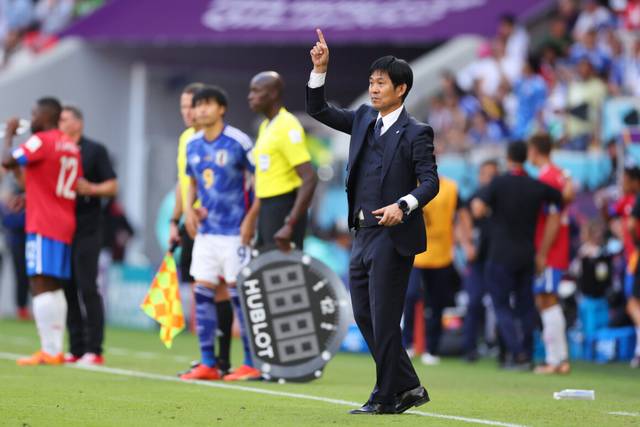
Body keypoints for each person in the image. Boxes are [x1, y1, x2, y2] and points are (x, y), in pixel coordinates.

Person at [306, 29, 438, 414]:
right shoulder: (364, 118)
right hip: (361, 233)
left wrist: (404, 205)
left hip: (393, 235)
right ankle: (408, 386)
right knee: (364, 316)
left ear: (401, 89)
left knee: (384, 319)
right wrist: (320, 70)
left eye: (381, 83)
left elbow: (430, 182)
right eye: (371, 82)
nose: (373, 89)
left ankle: (384, 396)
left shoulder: (417, 132)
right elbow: (319, 110)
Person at [179, 85, 259, 381]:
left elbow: (260, 183)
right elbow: (192, 183)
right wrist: (190, 210)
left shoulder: (239, 141)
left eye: (207, 104)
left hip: (235, 233)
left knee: (239, 297)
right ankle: (208, 363)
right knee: (202, 295)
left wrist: (251, 219)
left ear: (221, 109)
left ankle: (250, 362)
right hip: (206, 233)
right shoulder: (192, 144)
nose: (201, 110)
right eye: (197, 105)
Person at [2, 97, 82, 365]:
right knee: (54, 284)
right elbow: (49, 179)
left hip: (43, 222)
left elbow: (7, 159)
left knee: (39, 282)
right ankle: (55, 349)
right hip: (63, 219)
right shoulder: (70, 145)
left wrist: (9, 134)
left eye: (34, 113)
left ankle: (49, 349)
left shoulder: (41, 140)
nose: (32, 118)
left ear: (46, 116)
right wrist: (30, 195)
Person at [471, 141, 562, 370]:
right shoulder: (536, 185)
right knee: (525, 307)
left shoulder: (498, 182)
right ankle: (528, 353)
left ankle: (517, 352)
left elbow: (477, 208)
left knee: (501, 305)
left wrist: (490, 209)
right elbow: (562, 197)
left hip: (500, 254)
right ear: (525, 157)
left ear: (509, 157)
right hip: (527, 254)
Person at [168, 82, 234, 375]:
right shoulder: (187, 139)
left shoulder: (225, 141)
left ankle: (224, 359)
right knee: (202, 286)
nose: (188, 112)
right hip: (193, 223)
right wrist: (175, 220)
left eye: (192, 106)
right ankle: (210, 358)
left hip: (221, 225)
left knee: (221, 289)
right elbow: (184, 184)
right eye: (184, 107)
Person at [58, 105, 118, 365]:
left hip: (88, 228)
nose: (60, 123)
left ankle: (95, 349)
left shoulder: (95, 150)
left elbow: (112, 186)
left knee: (87, 287)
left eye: (64, 119)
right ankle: (76, 348)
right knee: (67, 288)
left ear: (78, 123)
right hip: (61, 228)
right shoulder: (57, 151)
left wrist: (91, 189)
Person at [248, 70, 317, 252]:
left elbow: (309, 177)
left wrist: (290, 223)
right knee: (266, 263)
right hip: (267, 207)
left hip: (283, 206)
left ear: (273, 94)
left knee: (282, 267)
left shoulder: (287, 126)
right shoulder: (265, 126)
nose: (250, 96)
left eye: (256, 91)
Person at [527, 133, 574, 374]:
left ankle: (556, 360)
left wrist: (542, 253)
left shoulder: (547, 178)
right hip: (556, 247)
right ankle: (558, 359)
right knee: (546, 299)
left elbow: (554, 218)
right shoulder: (559, 175)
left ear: (535, 150)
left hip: (551, 248)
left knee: (546, 299)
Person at [402, 176, 460, 366]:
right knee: (410, 296)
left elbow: (462, 215)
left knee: (436, 302)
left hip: (441, 254)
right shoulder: (408, 184)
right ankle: (407, 343)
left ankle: (432, 348)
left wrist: (465, 242)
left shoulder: (450, 188)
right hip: (415, 252)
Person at [459, 159, 499, 361]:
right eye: (486, 174)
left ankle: (504, 350)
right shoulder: (473, 198)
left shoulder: (502, 199)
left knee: (501, 305)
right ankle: (470, 349)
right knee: (474, 302)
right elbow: (462, 221)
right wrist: (467, 245)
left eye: (493, 175)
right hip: (478, 262)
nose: (489, 179)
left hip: (498, 260)